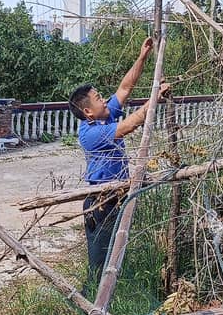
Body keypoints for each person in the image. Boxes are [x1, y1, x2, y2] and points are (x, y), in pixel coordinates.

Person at [68, 36, 171, 284]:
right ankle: (94, 303)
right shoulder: (91, 133)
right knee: (100, 262)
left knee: (115, 256)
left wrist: (142, 56)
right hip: (101, 203)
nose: (104, 99)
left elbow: (124, 89)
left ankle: (106, 295)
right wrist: (154, 99)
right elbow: (127, 126)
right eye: (98, 98)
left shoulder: (103, 117)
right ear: (87, 111)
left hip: (116, 196)